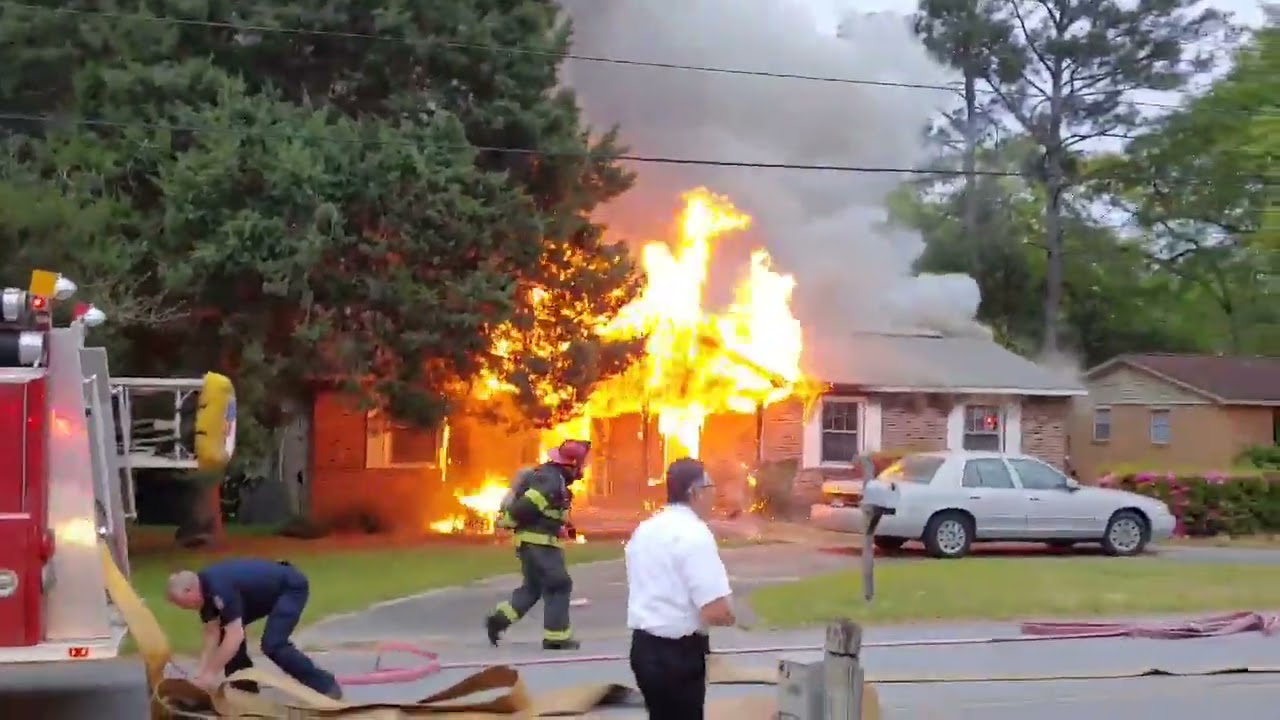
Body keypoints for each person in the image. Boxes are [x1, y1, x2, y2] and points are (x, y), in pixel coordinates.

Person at [625, 457, 736, 720]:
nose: (714, 494)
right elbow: (715, 609)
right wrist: (735, 617)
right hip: (678, 655)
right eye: (710, 487)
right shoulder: (694, 535)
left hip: (643, 648)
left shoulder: (646, 529)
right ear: (694, 492)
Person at [166, 558, 342, 699]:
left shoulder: (218, 586)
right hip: (262, 595)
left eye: (183, 604)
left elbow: (235, 635)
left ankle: (326, 686)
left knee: (273, 645)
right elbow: (211, 634)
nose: (185, 609)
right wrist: (201, 673)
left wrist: (211, 674)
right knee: (222, 633)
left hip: (290, 588)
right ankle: (245, 688)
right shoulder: (205, 594)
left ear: (190, 590)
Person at [485, 439, 590, 650]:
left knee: (532, 588)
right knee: (559, 585)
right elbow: (528, 506)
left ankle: (499, 620)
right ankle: (556, 637)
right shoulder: (551, 480)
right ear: (571, 463)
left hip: (533, 542)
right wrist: (509, 521)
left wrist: (562, 525)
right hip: (539, 544)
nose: (583, 468)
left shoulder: (552, 478)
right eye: (581, 463)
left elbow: (546, 510)